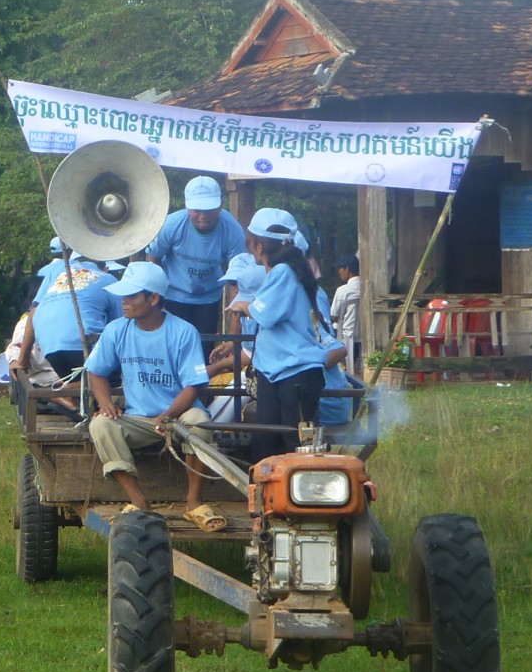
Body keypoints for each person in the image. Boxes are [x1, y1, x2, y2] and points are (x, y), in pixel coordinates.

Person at [83, 261, 222, 530]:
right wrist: (106, 404)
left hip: (178, 416)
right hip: (138, 419)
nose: (124, 302)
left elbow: (194, 385)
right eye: (123, 296)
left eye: (132, 296)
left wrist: (169, 415)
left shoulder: (183, 332)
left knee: (198, 421)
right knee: (100, 424)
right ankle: (139, 502)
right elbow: (96, 371)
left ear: (154, 298)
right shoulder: (116, 330)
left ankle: (193, 502)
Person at [228, 209, 343, 464]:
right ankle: (264, 496)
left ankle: (299, 499)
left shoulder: (284, 273)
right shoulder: (288, 273)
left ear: (257, 246)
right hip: (274, 371)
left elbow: (264, 314)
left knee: (297, 443)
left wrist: (243, 306)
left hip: (295, 372)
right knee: (267, 440)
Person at [146, 176, 247, 337]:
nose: (203, 215)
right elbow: (153, 260)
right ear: (187, 207)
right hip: (173, 295)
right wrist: (157, 302)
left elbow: (238, 277)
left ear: (220, 206)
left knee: (203, 347)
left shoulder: (233, 231)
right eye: (197, 210)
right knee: (171, 345)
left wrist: (234, 328)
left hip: (208, 298)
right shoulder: (171, 225)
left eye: (208, 210)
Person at [17, 245, 120, 378]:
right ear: (104, 266)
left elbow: (33, 313)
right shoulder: (109, 279)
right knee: (115, 378)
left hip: (50, 349)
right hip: (83, 346)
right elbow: (119, 327)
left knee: (80, 383)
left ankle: (71, 387)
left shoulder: (56, 272)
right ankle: (73, 387)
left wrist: (22, 361)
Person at [330, 254, 363, 372]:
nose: (339, 272)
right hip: (363, 335)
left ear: (348, 269)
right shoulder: (366, 288)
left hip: (346, 336)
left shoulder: (342, 290)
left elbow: (334, 316)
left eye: (341, 268)